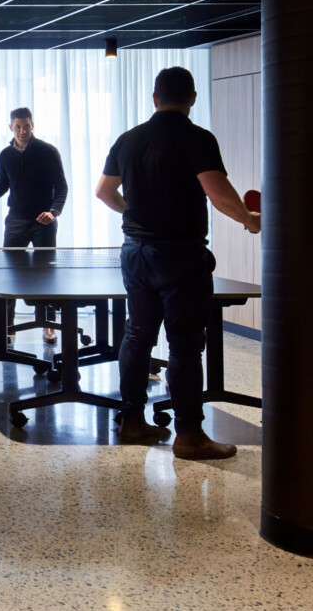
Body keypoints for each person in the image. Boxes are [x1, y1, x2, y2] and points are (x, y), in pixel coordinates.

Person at [94, 66, 260, 460]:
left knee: (137, 335)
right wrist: (248, 220)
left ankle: (132, 422)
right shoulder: (197, 137)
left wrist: (130, 212)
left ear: (154, 98)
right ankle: (188, 435)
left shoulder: (129, 139)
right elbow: (218, 193)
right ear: (193, 98)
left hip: (135, 253)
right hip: (180, 257)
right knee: (184, 344)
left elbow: (103, 192)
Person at [0, 107, 69, 344]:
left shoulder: (48, 151)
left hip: (43, 220)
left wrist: (53, 213)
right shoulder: (6, 155)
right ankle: (8, 326)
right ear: (10, 127)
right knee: (10, 274)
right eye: (18, 126)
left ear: (32, 125)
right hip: (15, 220)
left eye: (27, 125)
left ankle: (48, 326)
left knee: (45, 275)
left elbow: (62, 187)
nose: (23, 130)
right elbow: (3, 183)